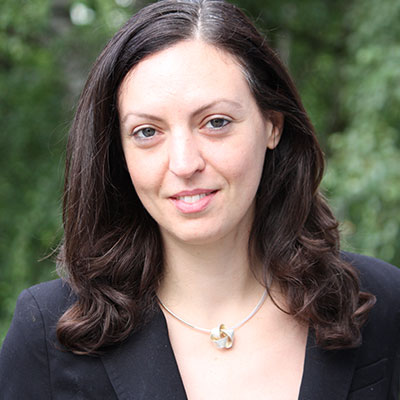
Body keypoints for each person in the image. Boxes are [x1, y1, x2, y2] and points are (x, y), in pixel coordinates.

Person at [1, 0, 399, 398]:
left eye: (216, 123)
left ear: (272, 126)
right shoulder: (49, 333)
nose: (184, 163)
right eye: (146, 132)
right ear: (117, 152)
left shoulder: (383, 304)